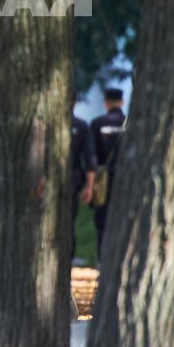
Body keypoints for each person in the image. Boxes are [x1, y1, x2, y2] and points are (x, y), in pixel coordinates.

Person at [88, 87, 127, 240]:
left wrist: (90, 183)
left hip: (103, 178)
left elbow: (91, 155)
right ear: (122, 102)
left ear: (106, 103)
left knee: (101, 220)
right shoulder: (130, 123)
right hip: (126, 178)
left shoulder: (97, 123)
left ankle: (102, 257)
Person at [70, 109, 98, 261]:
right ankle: (70, 256)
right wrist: (89, 185)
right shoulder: (81, 126)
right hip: (73, 180)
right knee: (70, 220)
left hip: (45, 182)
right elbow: (90, 160)